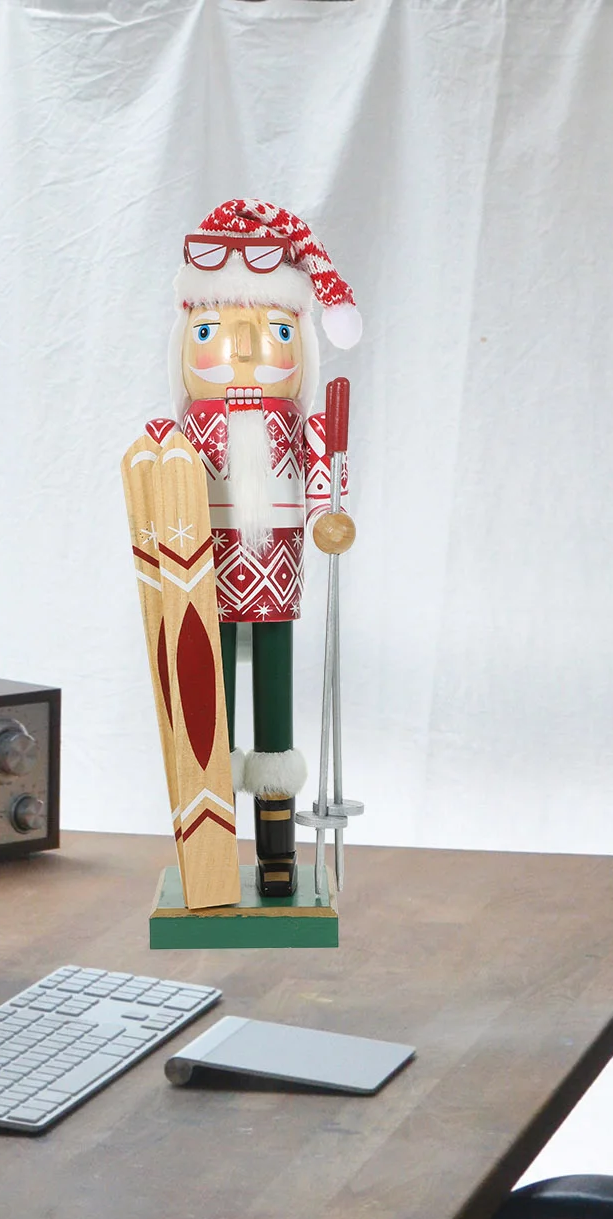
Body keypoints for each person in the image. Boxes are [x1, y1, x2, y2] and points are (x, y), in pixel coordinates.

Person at [155, 197, 361, 897]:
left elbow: (326, 477)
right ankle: (210, 852)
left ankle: (277, 850)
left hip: (276, 572)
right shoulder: (190, 428)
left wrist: (330, 499)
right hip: (202, 574)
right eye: (212, 330)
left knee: (274, 698)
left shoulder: (294, 424)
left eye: (272, 330)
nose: (242, 350)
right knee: (209, 700)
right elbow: (160, 478)